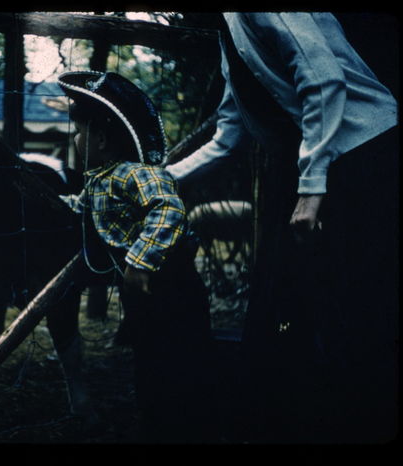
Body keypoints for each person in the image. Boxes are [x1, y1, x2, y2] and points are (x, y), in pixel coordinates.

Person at [166, 13, 398, 443]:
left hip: (364, 154)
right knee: (289, 308)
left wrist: (311, 189)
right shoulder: (227, 30)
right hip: (323, 162)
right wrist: (162, 176)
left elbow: (324, 81)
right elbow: (227, 137)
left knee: (356, 308)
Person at [57, 71, 218, 443]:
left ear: (99, 139)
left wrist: (141, 260)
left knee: (185, 361)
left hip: (172, 287)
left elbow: (168, 209)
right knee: (149, 363)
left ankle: (195, 425)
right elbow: (79, 209)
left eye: (78, 132)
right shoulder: (99, 180)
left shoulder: (137, 174)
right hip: (142, 295)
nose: (74, 140)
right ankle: (157, 424)